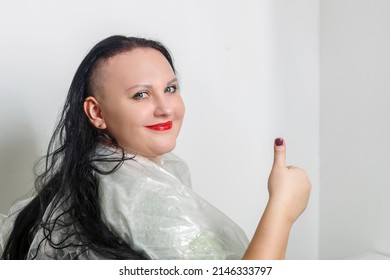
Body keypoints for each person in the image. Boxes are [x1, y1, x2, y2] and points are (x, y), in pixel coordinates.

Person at [0, 35, 311, 260]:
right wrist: (282, 207)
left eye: (170, 88)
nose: (166, 108)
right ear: (96, 112)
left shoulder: (86, 181)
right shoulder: (142, 198)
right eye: (140, 95)